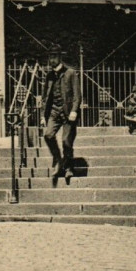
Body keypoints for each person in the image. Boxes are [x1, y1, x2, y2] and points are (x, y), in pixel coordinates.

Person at [40, 44, 81, 183]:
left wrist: (74, 110)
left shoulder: (70, 73)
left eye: (54, 56)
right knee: (48, 135)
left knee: (66, 141)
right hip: (54, 112)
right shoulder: (49, 76)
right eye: (50, 57)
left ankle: (68, 168)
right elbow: (45, 97)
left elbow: (77, 95)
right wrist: (42, 115)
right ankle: (58, 160)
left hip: (69, 112)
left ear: (59, 58)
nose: (52, 60)